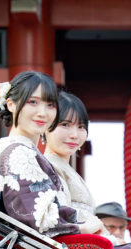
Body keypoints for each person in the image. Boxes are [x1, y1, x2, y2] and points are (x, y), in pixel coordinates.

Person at [0, 71, 96, 237]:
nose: (43, 112)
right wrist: (83, 227)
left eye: (50, 105)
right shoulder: (18, 152)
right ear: (11, 105)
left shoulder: (27, 152)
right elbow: (36, 219)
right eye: (33, 102)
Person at [43, 91, 106, 236]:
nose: (74, 135)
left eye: (81, 127)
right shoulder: (48, 166)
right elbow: (60, 220)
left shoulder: (64, 168)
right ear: (45, 127)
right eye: (65, 124)